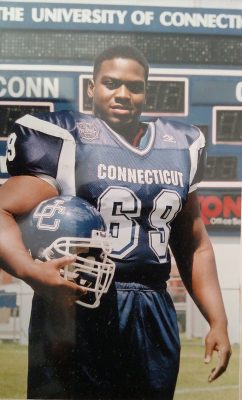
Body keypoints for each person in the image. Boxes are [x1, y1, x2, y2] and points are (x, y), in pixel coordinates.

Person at [0, 45, 231, 399]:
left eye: (134, 86)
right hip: (78, 307)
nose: (122, 94)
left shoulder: (180, 145)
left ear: (146, 91)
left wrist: (218, 319)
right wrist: (30, 271)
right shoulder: (65, 138)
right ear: (91, 88)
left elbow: (193, 243)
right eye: (110, 83)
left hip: (153, 308)